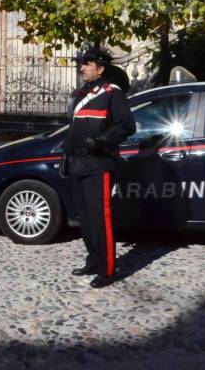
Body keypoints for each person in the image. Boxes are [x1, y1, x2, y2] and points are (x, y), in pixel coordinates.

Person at [61, 43, 136, 288]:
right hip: (78, 163)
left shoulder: (112, 93)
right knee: (85, 218)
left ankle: (107, 270)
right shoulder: (83, 94)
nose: (81, 67)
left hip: (98, 163)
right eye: (81, 63)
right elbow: (74, 131)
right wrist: (66, 157)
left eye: (86, 64)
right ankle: (93, 259)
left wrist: (103, 141)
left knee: (99, 219)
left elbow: (126, 126)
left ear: (100, 69)